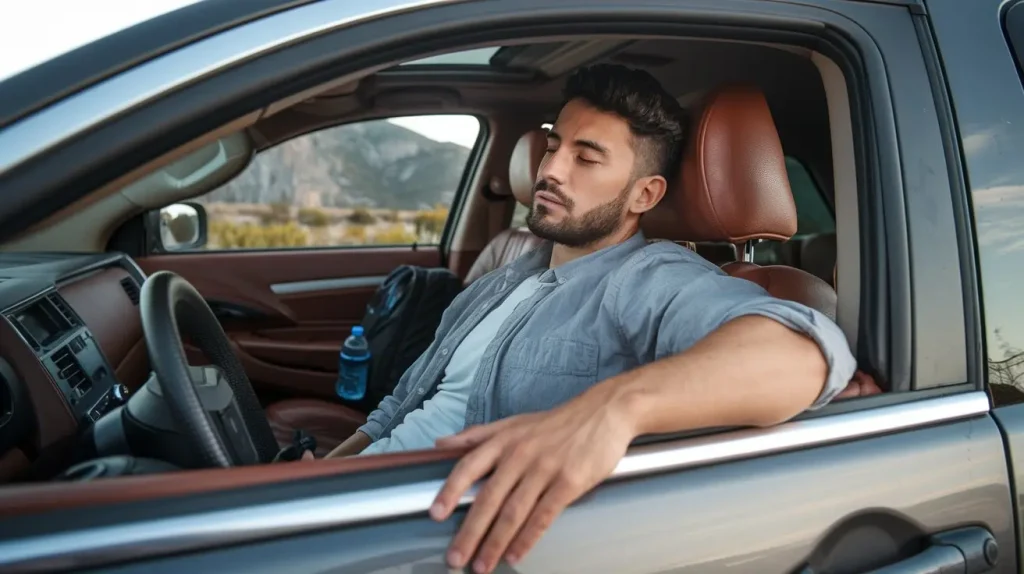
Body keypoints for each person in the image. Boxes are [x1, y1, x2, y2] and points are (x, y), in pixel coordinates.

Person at [320, 64, 856, 573]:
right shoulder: (501, 278)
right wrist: (311, 481)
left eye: (587, 156)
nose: (550, 169)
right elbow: (393, 414)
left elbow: (801, 353)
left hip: (428, 538)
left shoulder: (647, 277)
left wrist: (613, 410)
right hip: (351, 505)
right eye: (553, 146)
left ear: (644, 194)